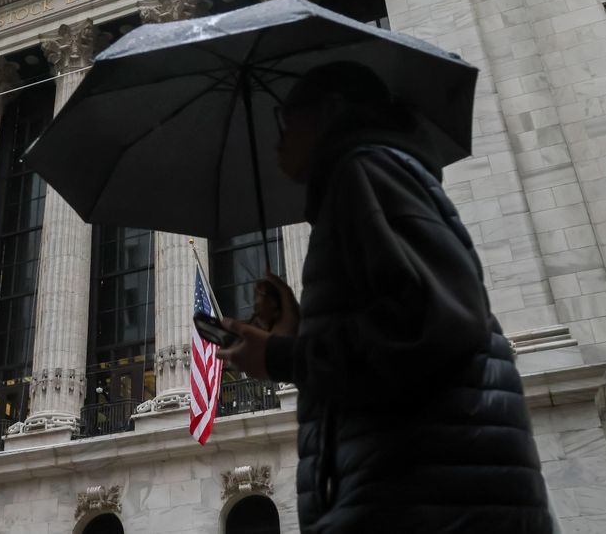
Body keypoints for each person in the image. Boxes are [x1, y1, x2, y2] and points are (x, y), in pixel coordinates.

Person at [218, 61, 554, 533]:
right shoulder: (367, 175)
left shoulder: (366, 170)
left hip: (431, 491)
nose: (278, 138)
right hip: (426, 484)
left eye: (287, 118)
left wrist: (281, 356)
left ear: (331, 112)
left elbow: (431, 322)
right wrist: (298, 326)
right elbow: (402, 321)